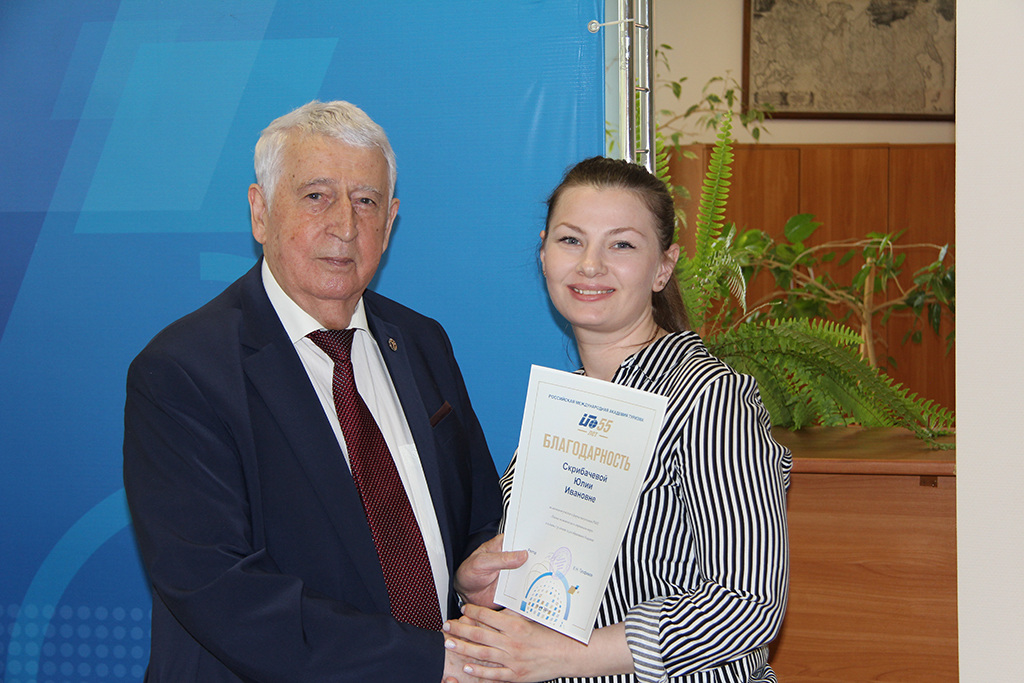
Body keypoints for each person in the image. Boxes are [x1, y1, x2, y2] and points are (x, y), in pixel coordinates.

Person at [123, 100, 518, 683]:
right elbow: (219, 591)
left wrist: (471, 575)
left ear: (390, 221)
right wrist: (428, 661)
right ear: (260, 212)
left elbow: (474, 516)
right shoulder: (182, 372)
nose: (345, 226)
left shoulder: (422, 341)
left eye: (366, 201)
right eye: (316, 196)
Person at [441, 157, 792, 683]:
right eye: (571, 240)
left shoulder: (709, 398)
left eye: (621, 245)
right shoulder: (566, 406)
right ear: (544, 254)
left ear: (663, 267)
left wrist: (565, 656)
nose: (590, 265)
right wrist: (481, 585)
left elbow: (748, 605)